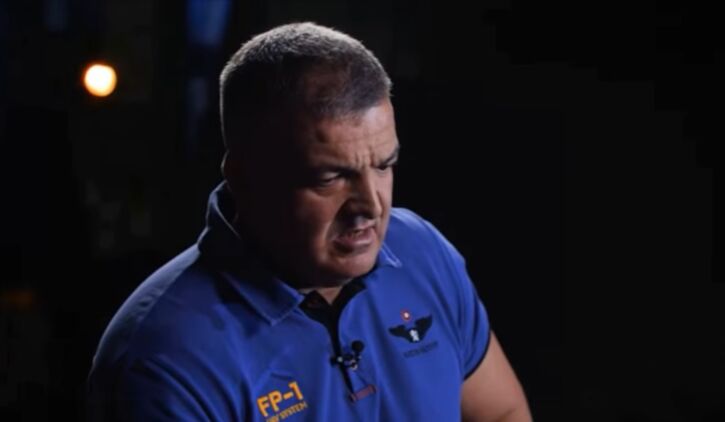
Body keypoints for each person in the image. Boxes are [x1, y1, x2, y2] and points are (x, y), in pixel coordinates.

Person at [87, 22, 532, 421]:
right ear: (244, 177)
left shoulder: (421, 252)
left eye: (384, 166)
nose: (370, 206)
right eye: (330, 177)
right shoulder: (165, 358)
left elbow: (501, 412)